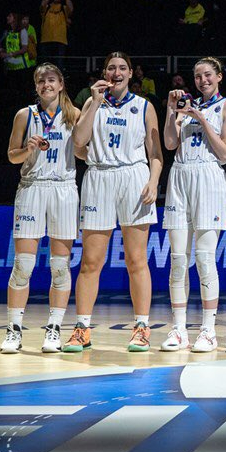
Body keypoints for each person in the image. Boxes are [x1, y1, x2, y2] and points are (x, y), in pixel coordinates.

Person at [65, 53, 163, 352]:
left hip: (134, 178)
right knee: (91, 262)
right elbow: (79, 143)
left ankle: (142, 327)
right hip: (99, 178)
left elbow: (156, 153)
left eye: (122, 68)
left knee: (136, 261)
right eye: (111, 68)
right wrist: (94, 102)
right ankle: (82, 328)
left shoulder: (144, 106)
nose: (116, 72)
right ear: (104, 72)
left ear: (131, 73)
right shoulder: (93, 103)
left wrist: (154, 181)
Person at [160, 58, 226, 353]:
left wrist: (201, 118)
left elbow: (224, 153)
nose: (203, 79)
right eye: (197, 76)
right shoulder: (184, 107)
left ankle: (208, 330)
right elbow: (170, 144)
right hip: (180, 176)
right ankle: (179, 329)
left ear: (219, 76)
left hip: (208, 177)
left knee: (205, 259)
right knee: (178, 259)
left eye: (208, 74)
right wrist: (172, 112)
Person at [0, 64, 80, 354]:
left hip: (63, 189)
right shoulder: (25, 115)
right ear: (36, 86)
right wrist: (28, 150)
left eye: (51, 80)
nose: (46, 84)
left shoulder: (75, 115)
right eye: (40, 81)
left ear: (61, 84)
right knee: (23, 265)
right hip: (32, 188)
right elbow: (11, 156)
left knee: (60, 266)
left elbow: (83, 152)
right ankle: (13, 331)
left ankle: (54, 329)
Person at [39, 0, 72, 67]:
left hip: (60, 41)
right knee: (45, 67)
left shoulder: (64, 8)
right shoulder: (47, 8)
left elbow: (71, 8)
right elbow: (43, 4)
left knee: (59, 67)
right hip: (46, 41)